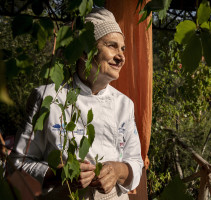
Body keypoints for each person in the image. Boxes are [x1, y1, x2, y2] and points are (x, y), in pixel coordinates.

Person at [9, 7, 143, 200]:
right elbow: (17, 165)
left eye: (122, 48)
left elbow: (136, 163)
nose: (121, 56)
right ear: (84, 52)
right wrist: (59, 175)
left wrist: (117, 170)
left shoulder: (124, 105)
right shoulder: (48, 98)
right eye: (112, 45)